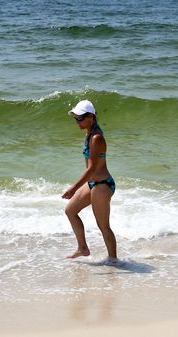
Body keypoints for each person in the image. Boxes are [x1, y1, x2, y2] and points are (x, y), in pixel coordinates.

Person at [62, 99, 118, 261]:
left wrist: (73, 188)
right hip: (92, 183)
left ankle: (113, 260)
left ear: (91, 117)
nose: (77, 122)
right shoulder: (89, 132)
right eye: (76, 118)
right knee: (70, 211)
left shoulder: (96, 138)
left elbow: (92, 168)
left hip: (102, 185)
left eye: (80, 118)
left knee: (103, 226)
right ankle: (83, 248)